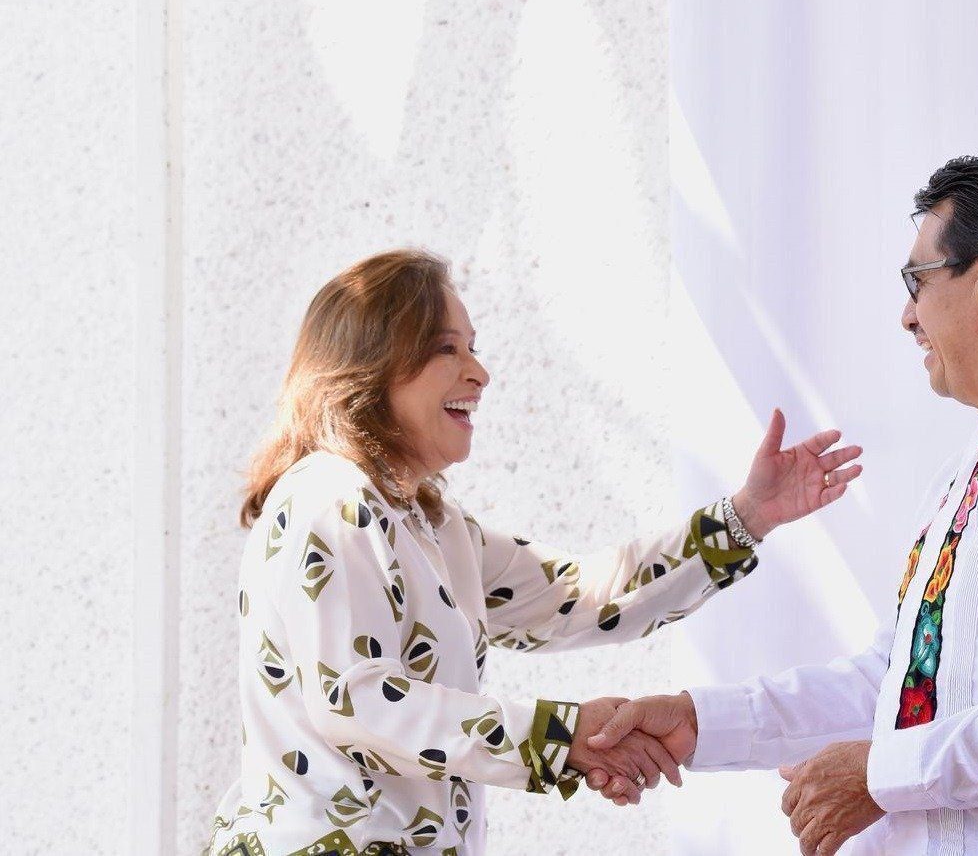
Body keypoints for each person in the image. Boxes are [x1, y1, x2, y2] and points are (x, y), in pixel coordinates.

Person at [586, 150, 978, 855]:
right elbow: (897, 686)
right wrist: (696, 724)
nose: (906, 316)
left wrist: (883, 775)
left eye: (916, 281)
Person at [202, 249, 864, 856]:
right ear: (372, 363)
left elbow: (580, 597)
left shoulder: (433, 526)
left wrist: (746, 517)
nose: (479, 371)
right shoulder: (330, 500)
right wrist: (561, 738)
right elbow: (360, 704)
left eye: (473, 347)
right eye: (446, 348)